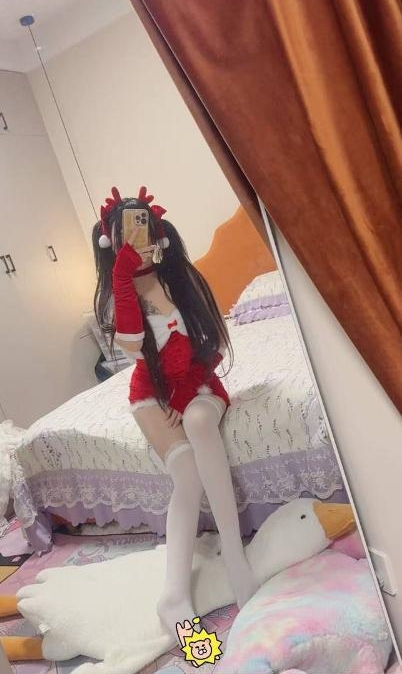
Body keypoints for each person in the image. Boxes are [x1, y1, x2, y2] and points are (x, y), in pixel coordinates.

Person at [93, 185, 257, 638]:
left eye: (142, 225)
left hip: (198, 381)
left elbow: (214, 339)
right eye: (125, 230)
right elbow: (131, 349)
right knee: (186, 472)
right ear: (111, 238)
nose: (137, 236)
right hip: (151, 392)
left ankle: (234, 556)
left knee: (200, 420)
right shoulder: (115, 294)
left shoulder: (181, 277)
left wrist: (186, 392)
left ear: (156, 229)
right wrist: (122, 277)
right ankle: (175, 595)